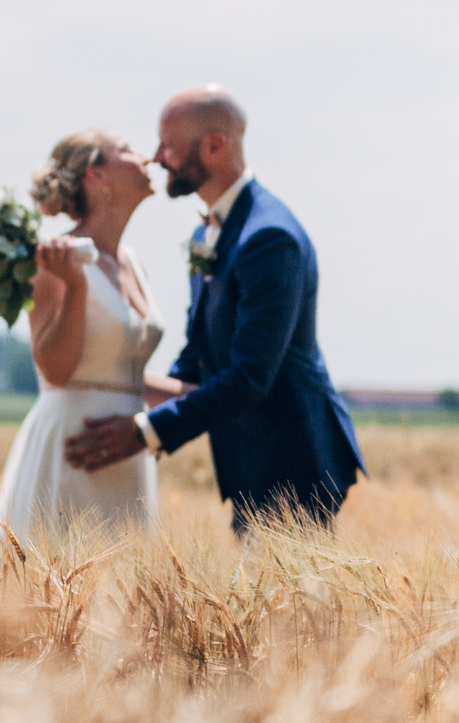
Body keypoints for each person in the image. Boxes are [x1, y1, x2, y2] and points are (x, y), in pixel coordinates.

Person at [65, 87, 364, 530]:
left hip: (292, 458)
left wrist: (147, 432)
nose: (157, 157)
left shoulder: (268, 237)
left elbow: (249, 377)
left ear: (214, 146)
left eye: (167, 144)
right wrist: (120, 380)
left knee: (296, 598)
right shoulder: (212, 231)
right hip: (250, 453)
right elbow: (200, 354)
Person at [0, 129, 175, 550]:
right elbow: (54, 371)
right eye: (127, 151)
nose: (146, 158)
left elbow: (121, 373)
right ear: (97, 175)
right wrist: (74, 287)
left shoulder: (134, 263)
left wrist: (211, 398)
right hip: (75, 448)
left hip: (129, 452)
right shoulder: (55, 259)